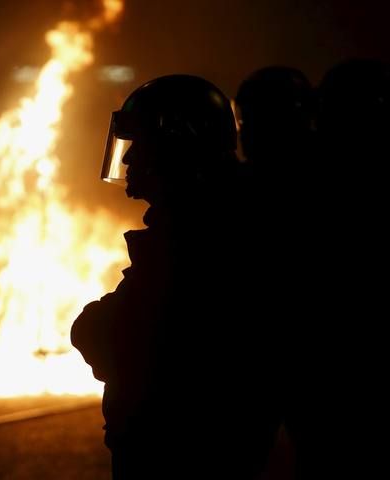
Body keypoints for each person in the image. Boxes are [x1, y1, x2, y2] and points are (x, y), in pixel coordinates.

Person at [71, 74, 279, 479]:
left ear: (178, 144)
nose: (128, 160)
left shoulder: (207, 236)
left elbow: (119, 335)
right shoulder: (211, 220)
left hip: (186, 455)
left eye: (140, 145)